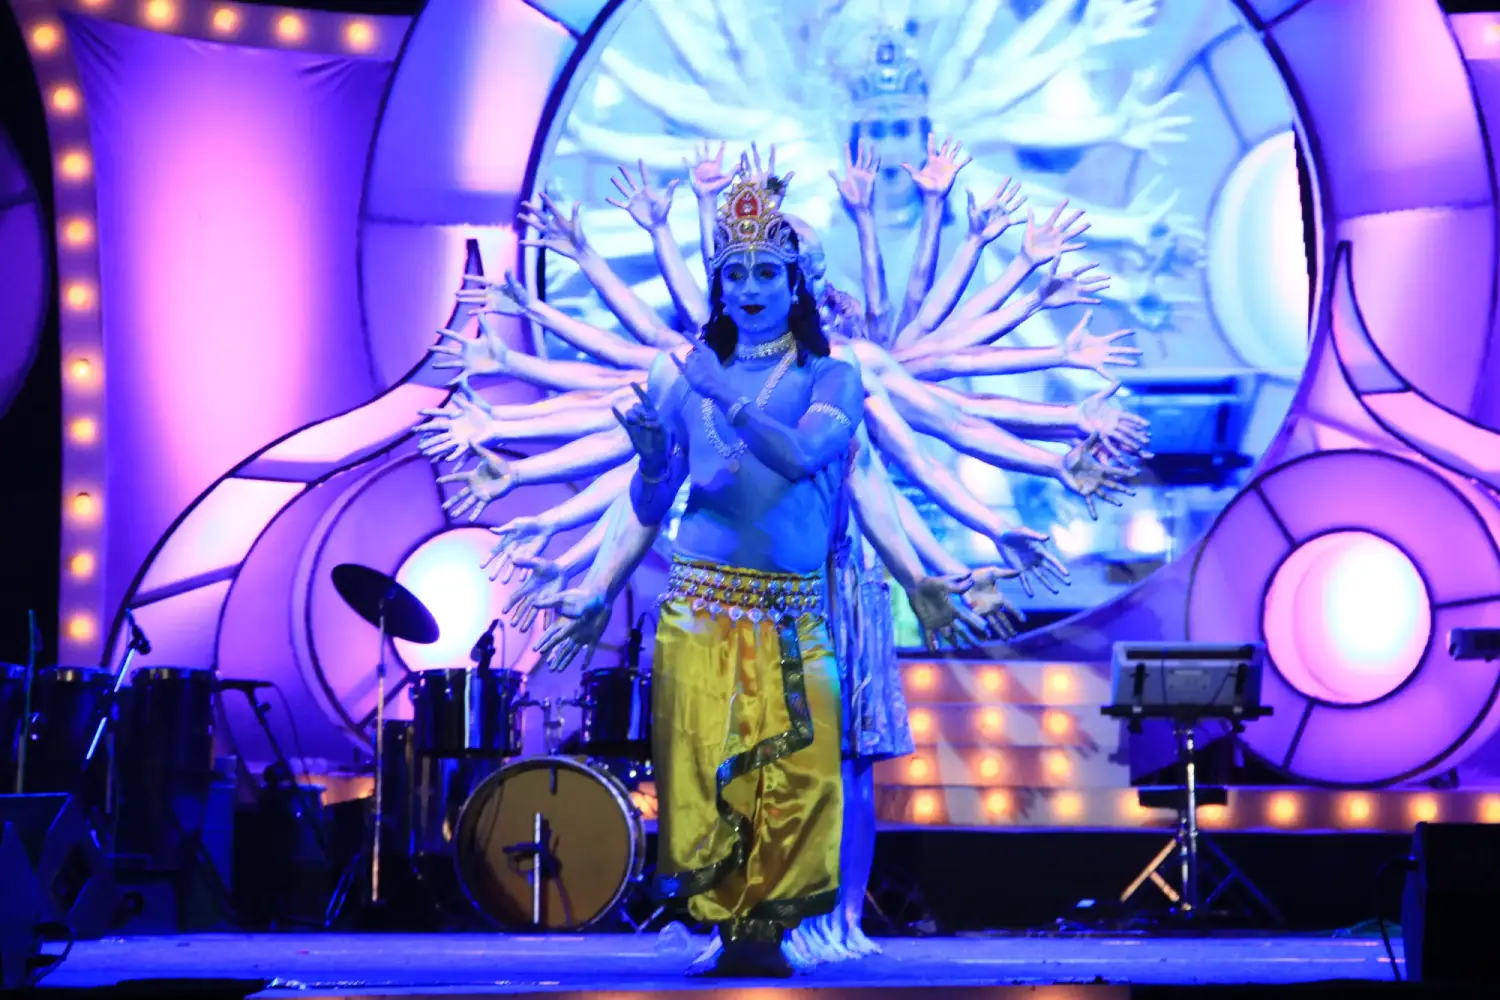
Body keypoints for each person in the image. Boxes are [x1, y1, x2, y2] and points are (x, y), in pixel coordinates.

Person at [532, 171, 863, 977]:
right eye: (735, 274)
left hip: (791, 612)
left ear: (796, 286)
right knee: (702, 780)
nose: (749, 290)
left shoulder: (832, 376)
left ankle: (769, 931)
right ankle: (732, 932)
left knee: (796, 779)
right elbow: (656, 499)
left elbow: (802, 459)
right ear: (717, 284)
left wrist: (733, 399)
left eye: (766, 274)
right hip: (701, 610)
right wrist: (647, 471)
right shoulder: (679, 377)